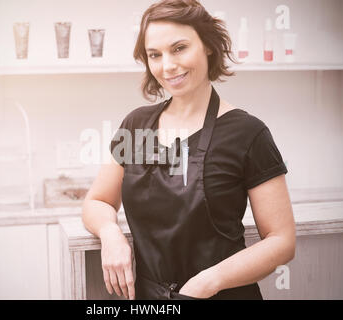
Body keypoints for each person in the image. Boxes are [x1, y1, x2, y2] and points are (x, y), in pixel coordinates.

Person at [82, 0, 295, 300]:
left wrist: (209, 281)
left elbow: (282, 241)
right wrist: (110, 233)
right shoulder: (136, 126)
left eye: (179, 48)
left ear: (208, 45)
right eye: (155, 55)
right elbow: (98, 200)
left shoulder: (249, 133)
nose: (167, 66)